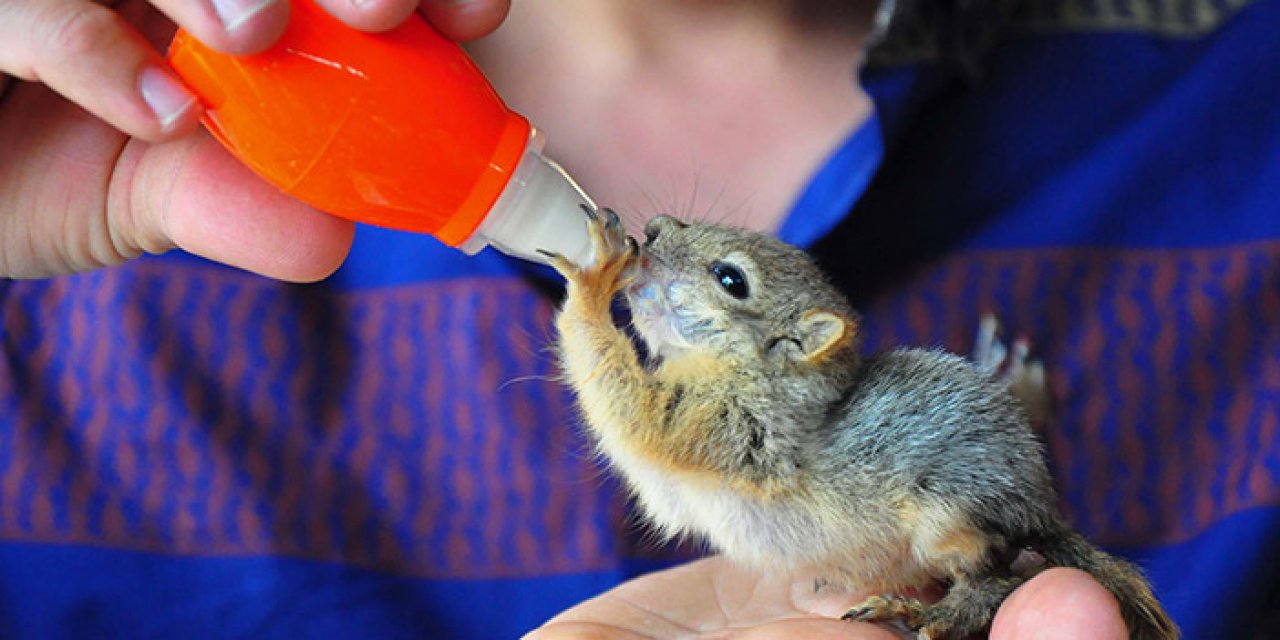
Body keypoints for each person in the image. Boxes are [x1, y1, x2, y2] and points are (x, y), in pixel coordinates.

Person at [1, 0, 1276, 638]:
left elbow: (669, 438)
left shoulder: (1233, 75)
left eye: (721, 285)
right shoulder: (87, 165)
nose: (654, 245)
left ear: (793, 345)